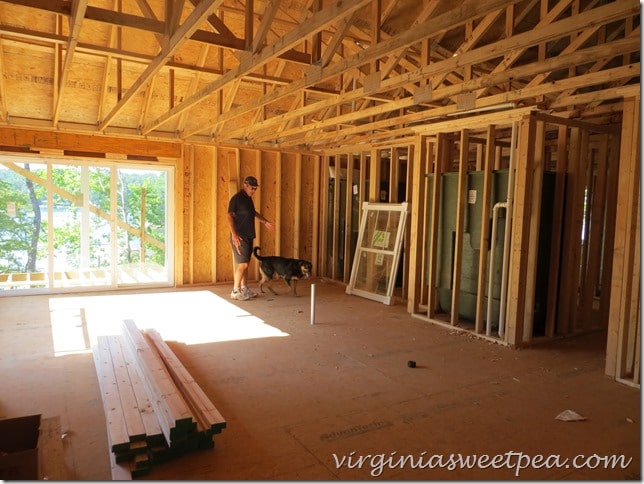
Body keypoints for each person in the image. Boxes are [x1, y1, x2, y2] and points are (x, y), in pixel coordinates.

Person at [227, 175, 274, 300]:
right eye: (252, 188)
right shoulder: (237, 199)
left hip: (248, 236)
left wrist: (265, 222)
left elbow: (253, 213)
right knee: (242, 264)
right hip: (240, 237)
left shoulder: (248, 199)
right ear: (245, 185)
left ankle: (244, 288)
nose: (253, 190)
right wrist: (234, 235)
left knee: (246, 264)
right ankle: (235, 291)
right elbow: (229, 216)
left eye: (255, 188)